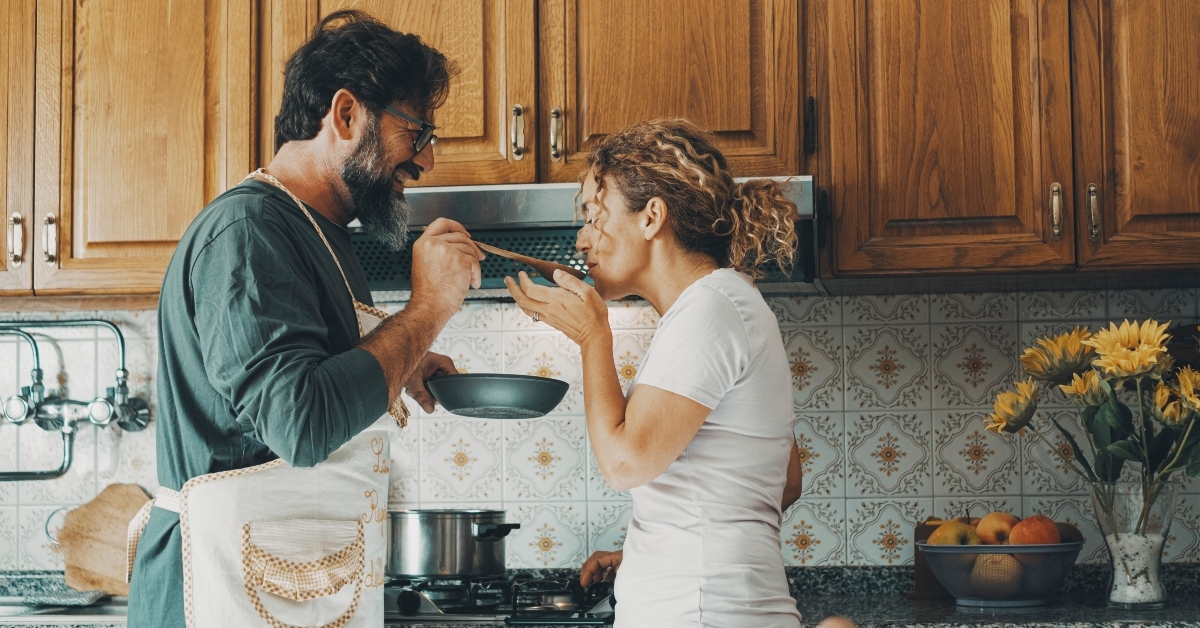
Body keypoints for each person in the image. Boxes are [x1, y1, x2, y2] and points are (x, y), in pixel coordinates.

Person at [128, 11, 484, 627]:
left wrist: (399, 362)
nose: (427, 159)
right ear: (346, 114)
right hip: (219, 591)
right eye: (418, 130)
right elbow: (299, 422)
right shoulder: (249, 231)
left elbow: (301, 382)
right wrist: (427, 311)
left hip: (282, 587)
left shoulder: (318, 233)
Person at [506, 118, 805, 627]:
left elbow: (624, 465)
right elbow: (785, 478)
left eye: (595, 217)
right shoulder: (721, 303)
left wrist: (591, 337)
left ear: (652, 218)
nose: (582, 241)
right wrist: (661, 552)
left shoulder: (710, 308)